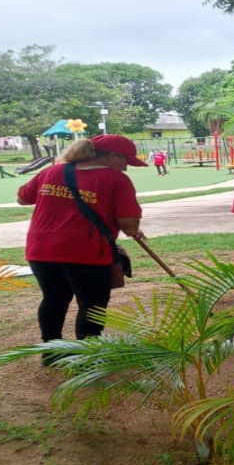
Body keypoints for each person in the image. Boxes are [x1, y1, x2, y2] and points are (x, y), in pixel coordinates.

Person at [16, 135, 145, 346]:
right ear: (112, 156)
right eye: (126, 161)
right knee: (92, 304)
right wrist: (134, 229)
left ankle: (51, 350)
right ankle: (88, 355)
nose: (126, 168)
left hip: (41, 250)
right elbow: (129, 225)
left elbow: (22, 198)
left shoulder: (52, 171)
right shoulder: (116, 179)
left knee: (54, 298)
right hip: (86, 252)